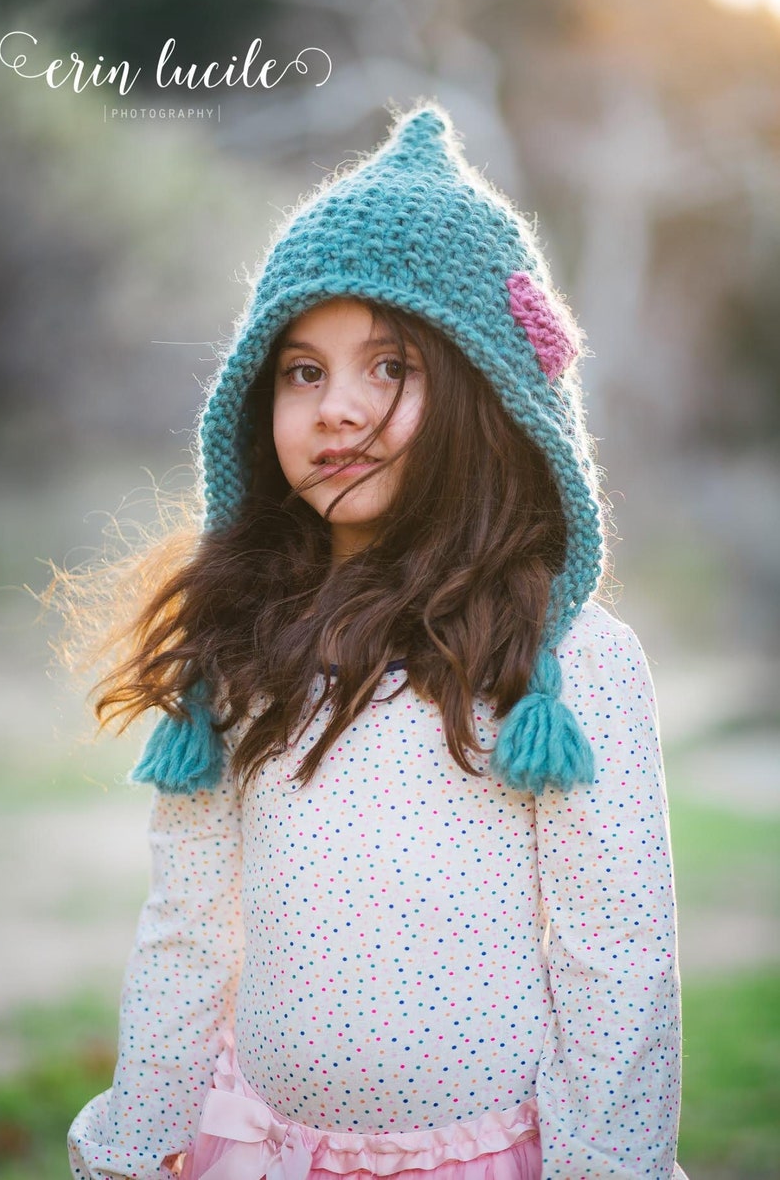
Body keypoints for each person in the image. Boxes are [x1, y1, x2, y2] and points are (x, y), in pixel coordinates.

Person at [66, 103, 685, 1179]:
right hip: (259, 1147)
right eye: (300, 371)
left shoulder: (564, 664)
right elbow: (185, 928)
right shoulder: (241, 649)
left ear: (489, 394)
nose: (334, 409)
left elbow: (616, 963)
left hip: (483, 1156)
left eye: (388, 365)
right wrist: (140, 1137)